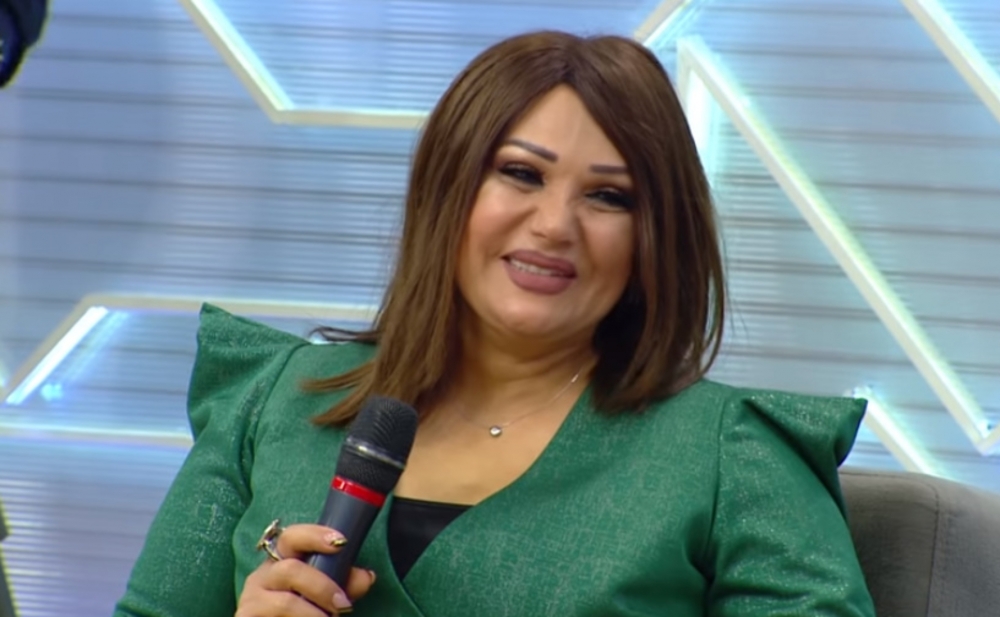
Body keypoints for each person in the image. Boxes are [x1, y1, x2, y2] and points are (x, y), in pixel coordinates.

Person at [114, 30, 876, 617]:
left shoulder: (735, 455)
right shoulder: (272, 400)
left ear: (653, 239)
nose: (554, 224)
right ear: (448, 189)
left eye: (608, 197)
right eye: (521, 173)